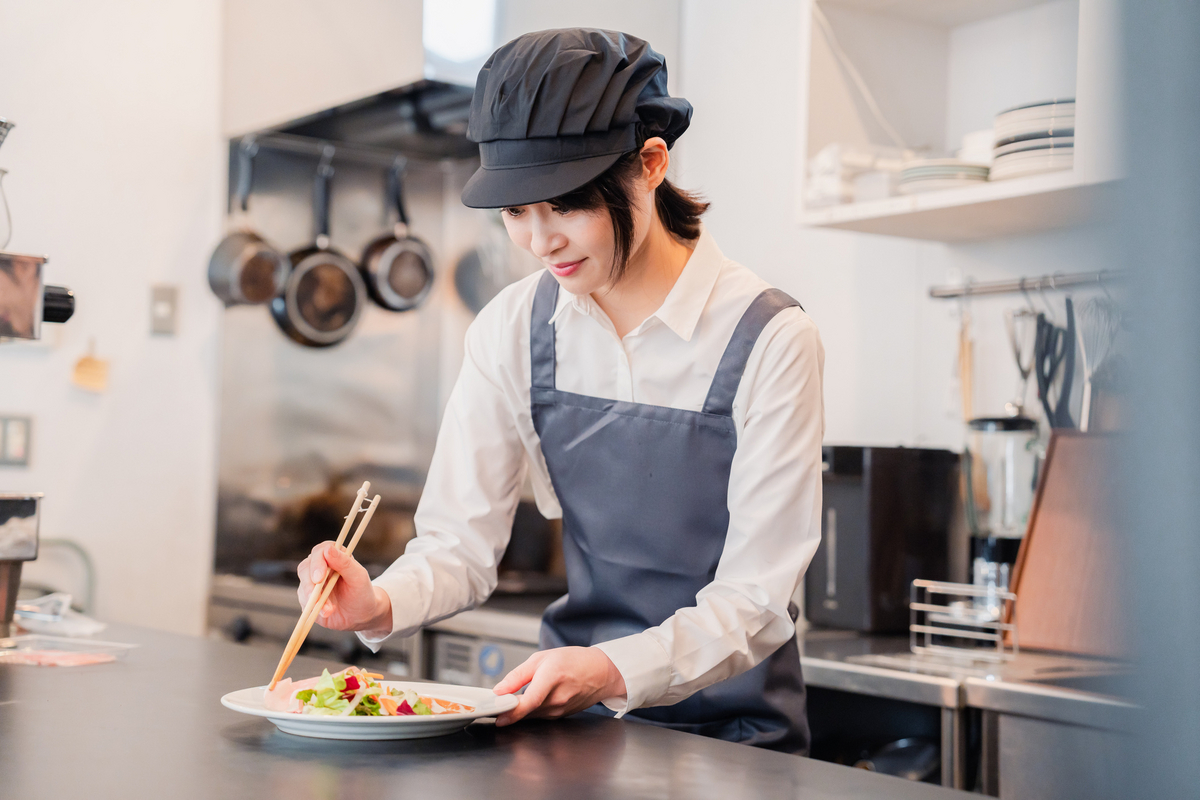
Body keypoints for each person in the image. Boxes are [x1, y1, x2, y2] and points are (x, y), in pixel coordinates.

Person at [296, 28, 825, 754]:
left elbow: (757, 601)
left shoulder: (770, 337)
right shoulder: (514, 327)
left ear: (650, 163)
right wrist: (379, 601)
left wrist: (610, 669)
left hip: (738, 743)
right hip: (575, 734)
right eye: (516, 211)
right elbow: (458, 545)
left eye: (566, 205)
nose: (540, 242)